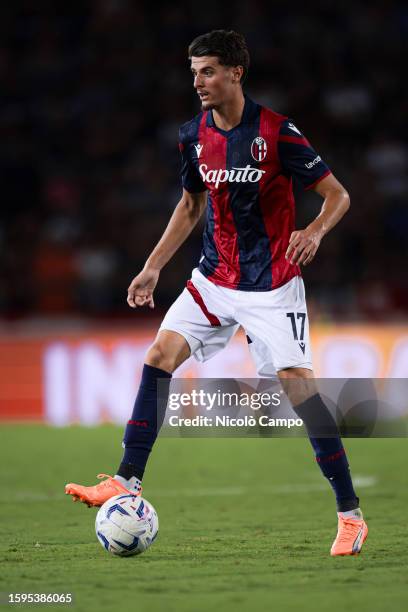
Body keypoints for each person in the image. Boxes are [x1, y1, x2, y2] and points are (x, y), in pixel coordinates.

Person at [65, 30, 368, 556]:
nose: (198, 82)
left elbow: (337, 195)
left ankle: (350, 515)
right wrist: (151, 268)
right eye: (193, 72)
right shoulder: (193, 135)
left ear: (235, 73)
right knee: (159, 355)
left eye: (207, 71)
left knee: (301, 391)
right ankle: (127, 480)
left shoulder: (277, 132)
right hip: (214, 277)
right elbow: (189, 208)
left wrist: (314, 231)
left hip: (272, 285)